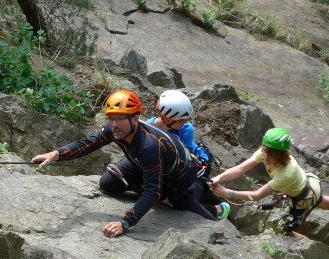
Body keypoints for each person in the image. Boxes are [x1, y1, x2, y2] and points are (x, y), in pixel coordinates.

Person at [31, 90, 229, 238]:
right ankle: (161, 193)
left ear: (135, 119)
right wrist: (56, 154)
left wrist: (126, 222)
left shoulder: (150, 145)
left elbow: (152, 191)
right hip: (145, 164)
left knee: (184, 207)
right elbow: (89, 143)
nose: (114, 125)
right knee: (108, 183)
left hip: (180, 180)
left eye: (120, 120)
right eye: (111, 119)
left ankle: (217, 211)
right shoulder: (116, 130)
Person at [209, 127, 329, 237]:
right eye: (266, 151)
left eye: (273, 154)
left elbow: (257, 196)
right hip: (308, 183)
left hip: (304, 197)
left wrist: (226, 192)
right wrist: (219, 178)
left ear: (282, 154)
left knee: (284, 229)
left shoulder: (286, 174)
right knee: (321, 200)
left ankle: (306, 243)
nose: (267, 157)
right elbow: (241, 169)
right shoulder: (265, 152)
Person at [147, 89, 222, 207]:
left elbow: (184, 160)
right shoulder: (149, 126)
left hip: (196, 165)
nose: (186, 121)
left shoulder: (186, 129)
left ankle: (216, 206)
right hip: (169, 164)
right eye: (182, 119)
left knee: (184, 201)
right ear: (168, 119)